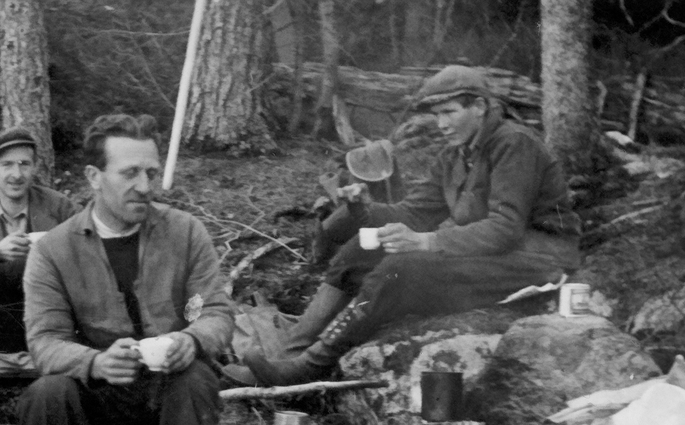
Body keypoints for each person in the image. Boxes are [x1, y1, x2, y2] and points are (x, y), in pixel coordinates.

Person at [224, 64, 581, 387]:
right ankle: (288, 356)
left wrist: (426, 242)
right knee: (358, 251)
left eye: (449, 113)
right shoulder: (454, 155)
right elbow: (413, 214)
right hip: (491, 254)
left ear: (480, 107)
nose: (441, 125)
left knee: (402, 267)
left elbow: (505, 228)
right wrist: (361, 207)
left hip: (536, 260)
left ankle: (310, 367)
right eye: (437, 115)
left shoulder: (513, 143)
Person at [16, 113, 235, 425]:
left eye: (151, 173)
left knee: (195, 378)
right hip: (101, 398)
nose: (144, 186)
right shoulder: (53, 250)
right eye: (129, 173)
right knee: (45, 395)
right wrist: (94, 362)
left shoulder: (184, 233)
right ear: (94, 178)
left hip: (171, 390)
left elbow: (219, 313)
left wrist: (193, 340)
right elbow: (44, 342)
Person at [0, 128, 79, 352]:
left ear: (34, 167)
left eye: (24, 164)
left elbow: (90, 240)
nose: (17, 174)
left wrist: (55, 246)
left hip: (51, 312)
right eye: (7, 165)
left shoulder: (60, 207)